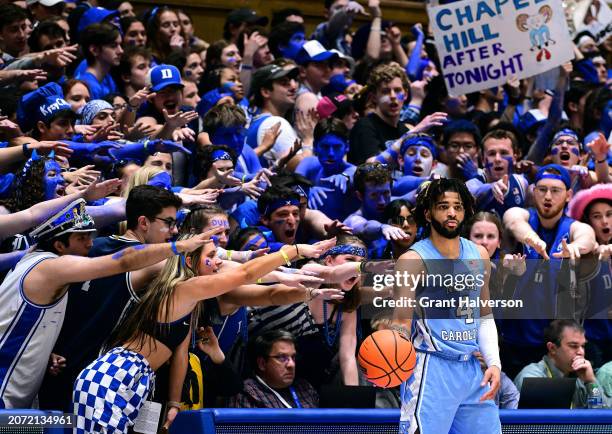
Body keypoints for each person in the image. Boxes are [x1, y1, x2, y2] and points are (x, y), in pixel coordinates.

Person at [72, 235, 332, 433]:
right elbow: (244, 273)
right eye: (212, 255)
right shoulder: (181, 289)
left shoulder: (192, 303)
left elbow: (180, 355)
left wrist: (174, 402)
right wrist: (293, 251)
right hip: (114, 376)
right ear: (189, 261)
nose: (219, 261)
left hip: (142, 381)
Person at [0, 191, 210, 409]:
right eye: (81, 238)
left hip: (40, 387)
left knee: (40, 426)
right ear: (59, 246)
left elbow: (35, 213)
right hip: (10, 390)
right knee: (28, 426)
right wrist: (180, 247)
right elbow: (124, 261)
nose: (90, 244)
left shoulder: (37, 259)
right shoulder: (53, 266)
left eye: (90, 236)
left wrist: (48, 350)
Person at [391, 178, 502, 434]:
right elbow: (401, 321)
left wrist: (494, 362)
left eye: (458, 206)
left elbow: (484, 315)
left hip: (473, 370)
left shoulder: (479, 255)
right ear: (428, 213)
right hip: (430, 367)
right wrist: (393, 348)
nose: (452, 212)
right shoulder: (412, 260)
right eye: (443, 206)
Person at [502, 164, 597, 378]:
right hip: (516, 339)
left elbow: (587, 236)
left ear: (568, 195)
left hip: (556, 346)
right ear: (534, 191)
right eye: (542, 189)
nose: (548, 196)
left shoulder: (573, 227)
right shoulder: (523, 216)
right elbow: (513, 220)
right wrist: (533, 240)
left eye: (555, 191)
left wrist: (575, 247)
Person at [514, 320, 611, 408]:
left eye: (583, 346)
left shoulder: (582, 378)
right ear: (552, 348)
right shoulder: (531, 377)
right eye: (573, 346)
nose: (581, 352)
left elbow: (602, 418)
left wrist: (591, 382)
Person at [228, 330, 319, 408]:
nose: (291, 364)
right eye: (282, 357)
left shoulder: (305, 388)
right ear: (262, 364)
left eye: (293, 357)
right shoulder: (248, 393)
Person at [75, 23, 123, 100]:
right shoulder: (89, 86)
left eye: (120, 45)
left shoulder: (107, 77)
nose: (121, 51)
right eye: (113, 46)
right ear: (95, 50)